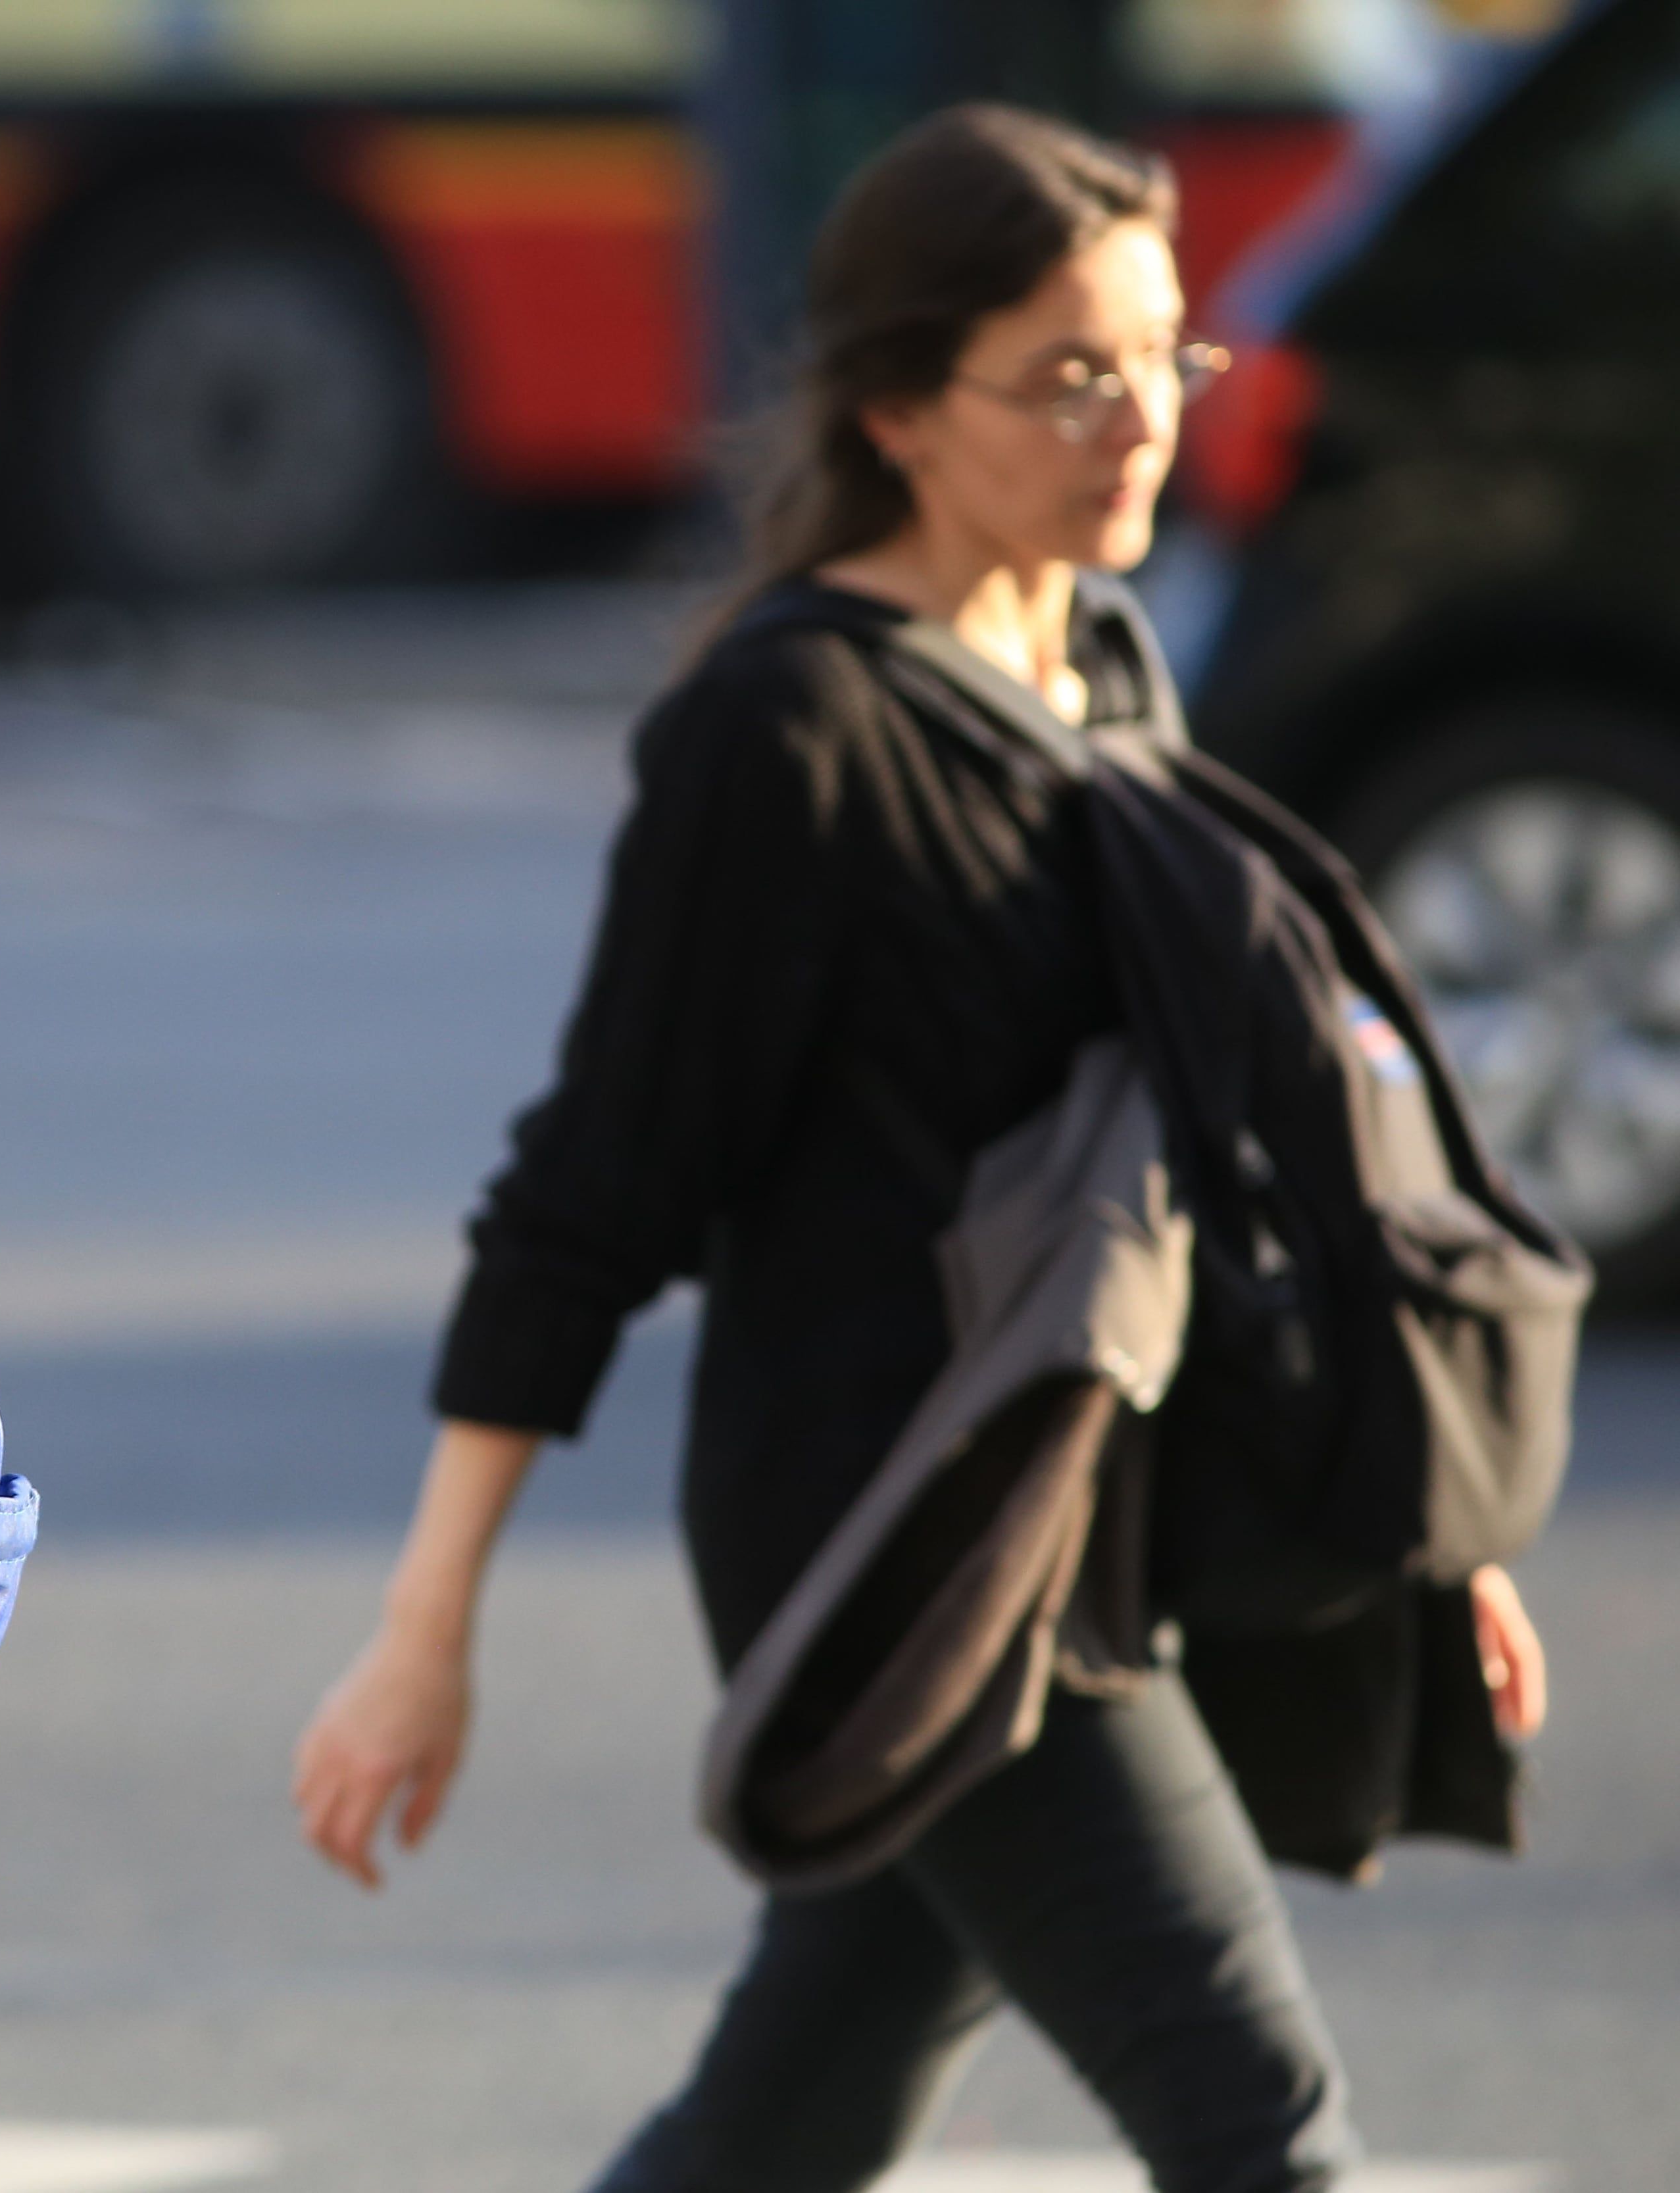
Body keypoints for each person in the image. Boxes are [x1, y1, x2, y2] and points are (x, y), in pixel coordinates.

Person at [289, 105, 1551, 2193]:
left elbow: (1223, 1141)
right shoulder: (784, 743)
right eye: (1070, 374)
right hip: (919, 1553)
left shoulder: (1106, 662)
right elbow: (589, 1196)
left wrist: (1433, 1528)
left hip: (1098, 1497)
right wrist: (427, 1631)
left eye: (1165, 357)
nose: (1138, 416)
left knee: (794, 2119)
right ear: (893, 404)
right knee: (1264, 2127)